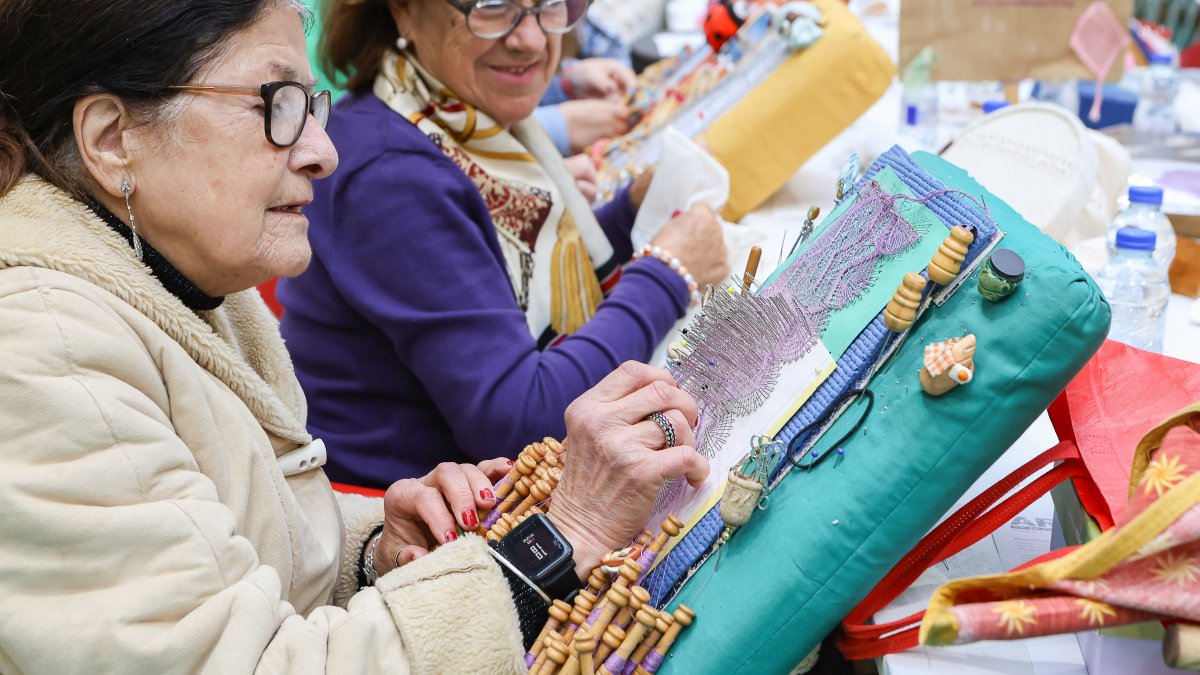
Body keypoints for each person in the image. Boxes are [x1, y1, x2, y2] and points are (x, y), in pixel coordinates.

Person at [0, 1, 709, 671]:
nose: (322, 152)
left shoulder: (174, 279)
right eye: (274, 106)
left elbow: (226, 532)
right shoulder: (46, 354)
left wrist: (372, 550)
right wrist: (557, 543)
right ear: (112, 140)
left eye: (311, 106)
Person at [279, 0, 730, 489]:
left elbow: (502, 277)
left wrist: (627, 217)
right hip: (418, 515)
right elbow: (522, 421)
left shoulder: (445, 114)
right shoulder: (389, 173)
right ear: (404, 11)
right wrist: (667, 275)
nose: (530, 39)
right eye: (492, 6)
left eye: (550, 4)